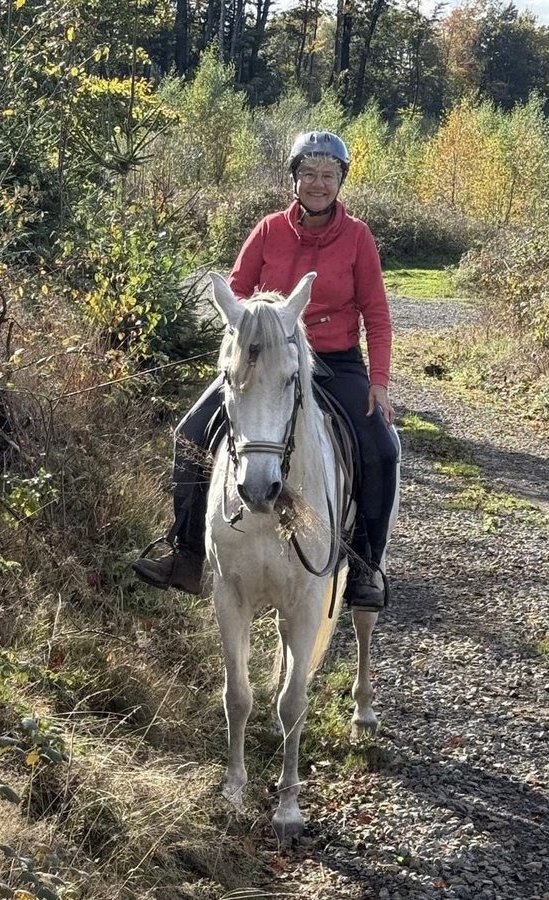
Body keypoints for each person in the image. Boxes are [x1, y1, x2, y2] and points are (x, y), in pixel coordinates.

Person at [133, 130, 398, 609]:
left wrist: (378, 382)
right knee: (190, 432)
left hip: (334, 361)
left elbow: (376, 314)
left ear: (340, 181)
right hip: (264, 360)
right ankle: (186, 553)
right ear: (294, 178)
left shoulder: (358, 237)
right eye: (309, 173)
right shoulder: (268, 230)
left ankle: (365, 568)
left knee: (380, 447)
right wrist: (251, 335)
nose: (318, 183)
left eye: (328, 175)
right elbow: (235, 293)